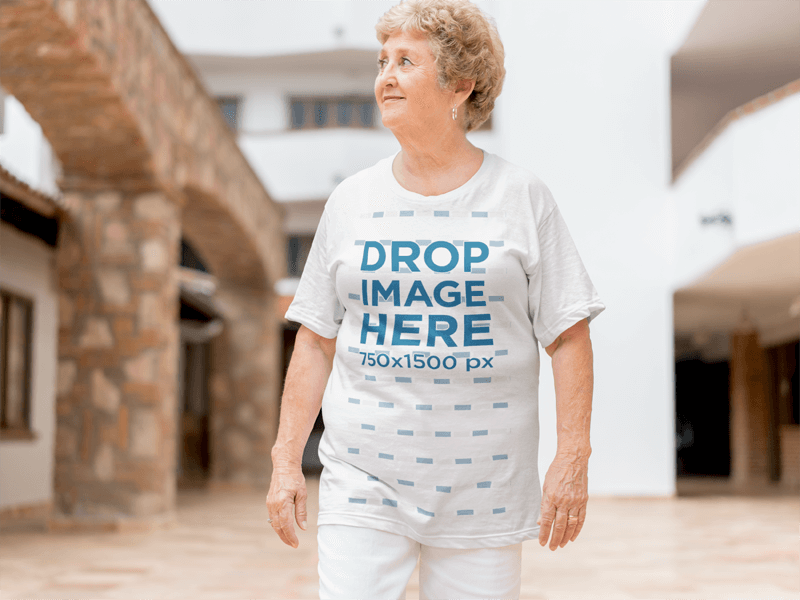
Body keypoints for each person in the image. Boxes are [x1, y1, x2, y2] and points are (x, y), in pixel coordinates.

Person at [266, 0, 605, 597]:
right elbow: (316, 338)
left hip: (485, 486)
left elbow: (568, 334)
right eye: (381, 61)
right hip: (363, 474)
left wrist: (571, 456)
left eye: (406, 61)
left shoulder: (522, 197)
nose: (385, 77)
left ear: (461, 86)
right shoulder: (350, 201)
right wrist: (286, 459)